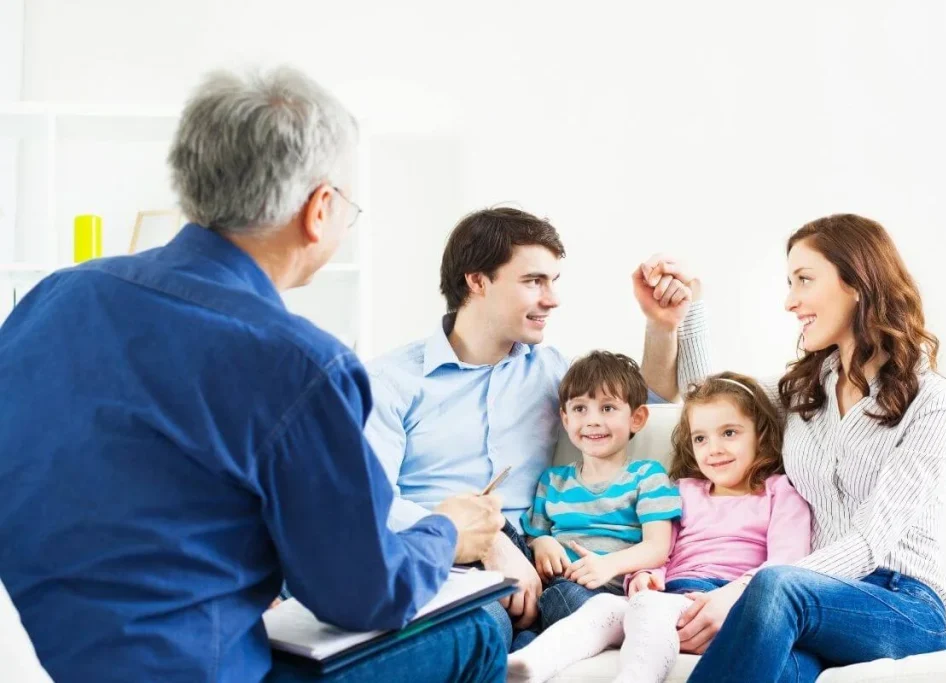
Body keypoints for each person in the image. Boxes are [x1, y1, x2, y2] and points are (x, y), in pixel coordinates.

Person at [0, 66, 506, 683]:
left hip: (44, 656)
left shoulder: (55, 296)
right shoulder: (300, 362)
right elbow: (364, 594)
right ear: (320, 209)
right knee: (478, 629)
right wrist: (445, 532)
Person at [364, 208, 694, 649]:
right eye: (534, 281)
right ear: (476, 281)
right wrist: (482, 542)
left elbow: (640, 406)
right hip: (434, 555)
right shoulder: (389, 381)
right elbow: (369, 502)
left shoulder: (550, 371)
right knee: (480, 628)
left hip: (539, 560)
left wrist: (661, 326)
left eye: (553, 281)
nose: (552, 298)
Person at [661, 214, 946, 682]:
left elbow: (869, 542)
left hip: (904, 605)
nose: (790, 301)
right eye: (789, 282)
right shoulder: (804, 395)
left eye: (804, 280)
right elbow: (708, 395)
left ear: (858, 284)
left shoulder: (932, 402)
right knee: (781, 669)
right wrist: (692, 305)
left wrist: (741, 591)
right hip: (811, 608)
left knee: (776, 585)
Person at [508, 372, 811, 682]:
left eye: (729, 433)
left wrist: (734, 595)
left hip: (727, 599)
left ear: (760, 434)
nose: (713, 448)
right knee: (602, 607)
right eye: (700, 438)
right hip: (670, 595)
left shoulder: (779, 491)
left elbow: (785, 564)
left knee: (649, 608)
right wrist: (645, 577)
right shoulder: (684, 490)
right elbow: (663, 551)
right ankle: (527, 665)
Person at [520, 351, 681, 626]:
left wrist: (609, 565)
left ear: (637, 418)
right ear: (566, 418)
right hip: (554, 583)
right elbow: (534, 537)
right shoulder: (553, 481)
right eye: (580, 409)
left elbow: (658, 547)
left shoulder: (647, 476)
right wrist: (541, 542)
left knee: (565, 598)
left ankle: (549, 630)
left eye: (607, 408)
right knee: (505, 539)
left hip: (606, 591)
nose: (592, 420)